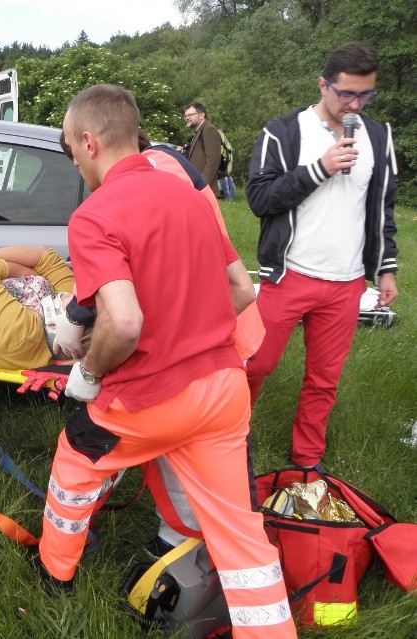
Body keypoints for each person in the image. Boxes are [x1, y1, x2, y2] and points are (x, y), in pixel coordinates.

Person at [35, 84, 296, 639]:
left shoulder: (93, 213)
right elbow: (241, 291)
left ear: (88, 140)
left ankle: (53, 572)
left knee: (75, 461)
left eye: (71, 149)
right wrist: (186, 328)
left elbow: (124, 323)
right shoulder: (190, 196)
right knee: (240, 533)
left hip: (149, 400)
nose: (75, 161)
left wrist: (88, 374)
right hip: (224, 392)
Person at [245, 41, 398, 469]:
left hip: (347, 281)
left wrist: (385, 268)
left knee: (323, 380)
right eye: (345, 93)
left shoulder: (379, 136)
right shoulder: (284, 132)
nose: (354, 105)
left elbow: (382, 207)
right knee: (256, 365)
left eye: (364, 95)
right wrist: (320, 168)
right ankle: (231, 436)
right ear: (323, 84)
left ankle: (306, 460)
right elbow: (259, 198)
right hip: (290, 274)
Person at [181, 101, 221, 196]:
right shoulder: (197, 133)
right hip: (197, 189)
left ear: (202, 115)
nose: (187, 118)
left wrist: (202, 185)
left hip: (205, 191)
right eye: (186, 116)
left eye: (190, 115)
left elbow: (213, 160)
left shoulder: (209, 130)